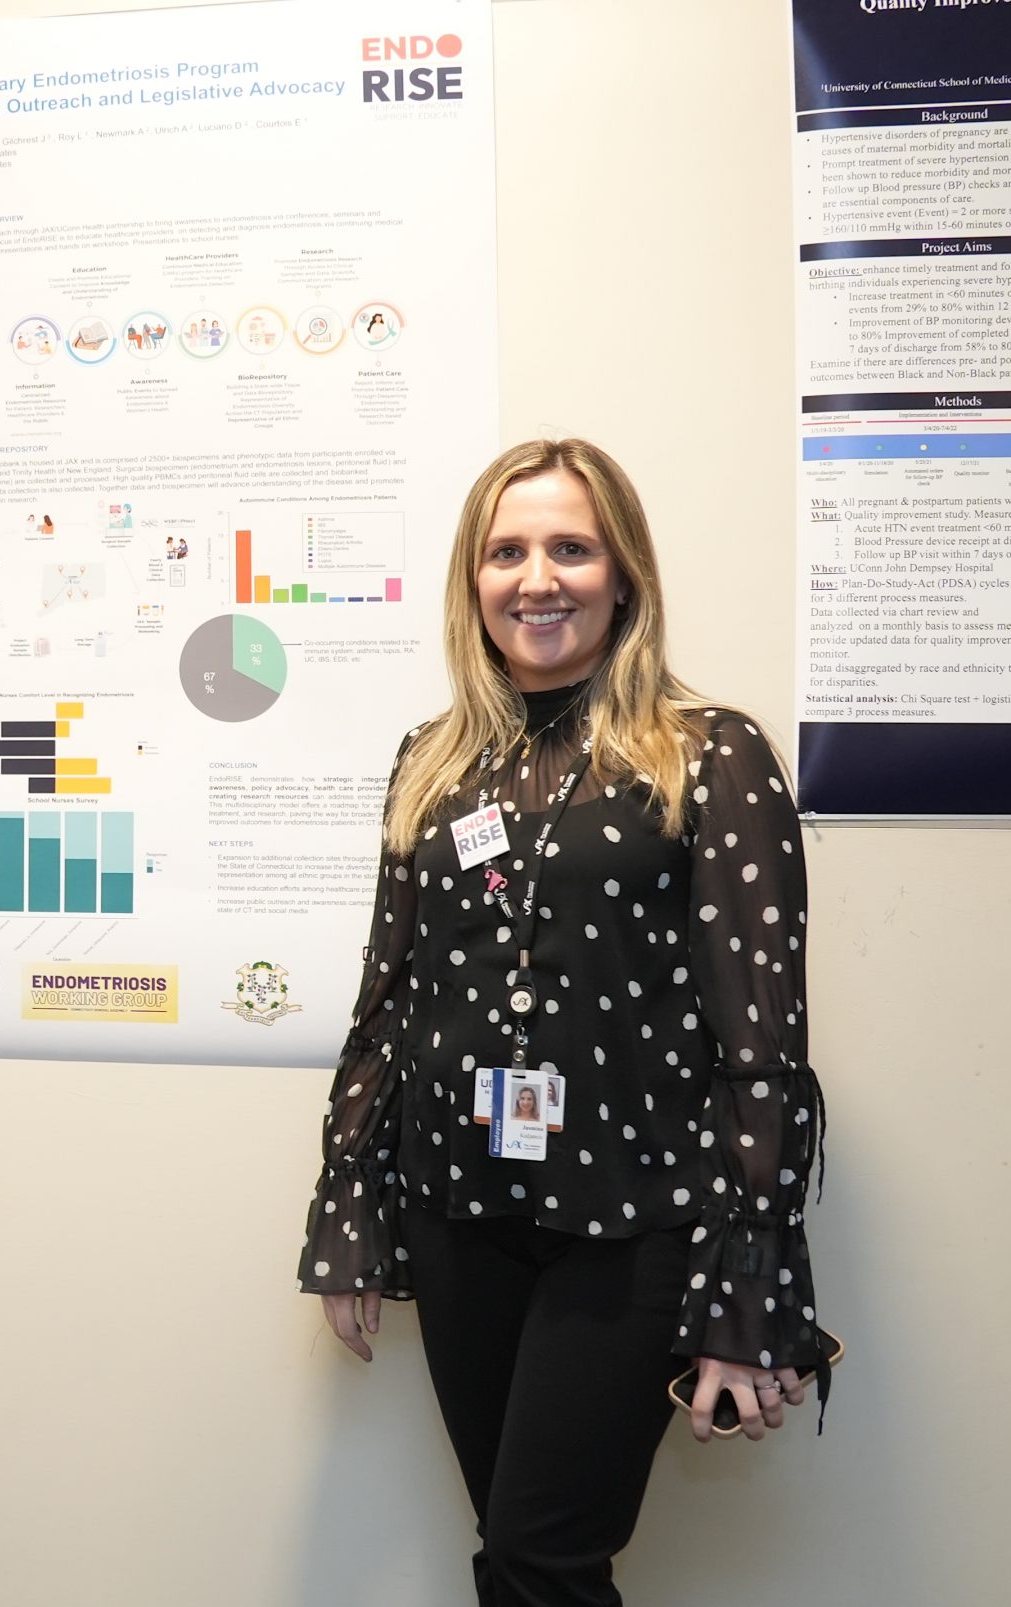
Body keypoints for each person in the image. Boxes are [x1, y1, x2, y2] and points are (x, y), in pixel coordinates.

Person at [299, 439, 828, 1607]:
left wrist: (748, 1279)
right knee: (513, 1543)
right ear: (472, 580)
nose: (537, 578)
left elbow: (761, 1042)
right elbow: (388, 1000)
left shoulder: (708, 754)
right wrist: (349, 1206)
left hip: (630, 1223)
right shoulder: (433, 763)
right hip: (456, 1212)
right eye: (506, 551)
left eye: (570, 547)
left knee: (542, 1551)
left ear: (622, 572)